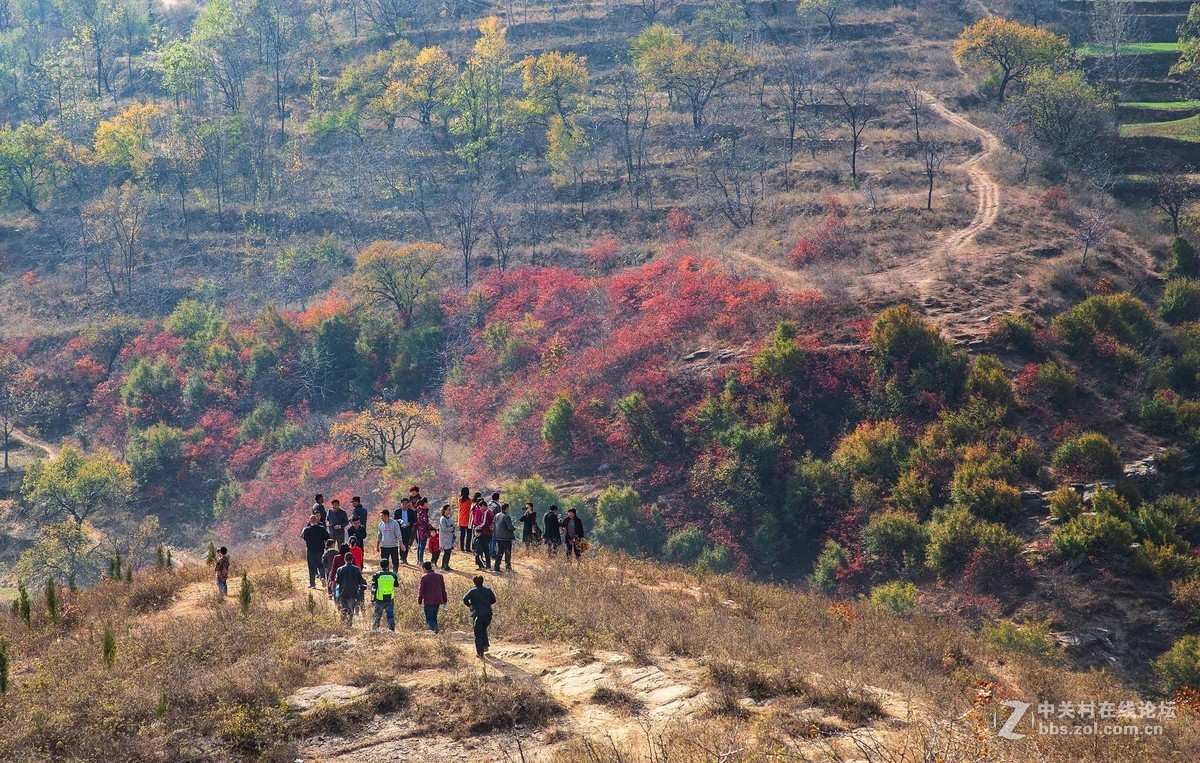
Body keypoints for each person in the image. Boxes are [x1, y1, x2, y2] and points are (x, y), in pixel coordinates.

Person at [462, 575, 497, 658]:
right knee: (483, 629)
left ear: (474, 582)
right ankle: (485, 645)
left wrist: (470, 605)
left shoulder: (472, 591)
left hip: (478, 615)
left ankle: (480, 653)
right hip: (488, 614)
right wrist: (487, 604)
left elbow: (464, 599)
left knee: (477, 633)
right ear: (482, 581)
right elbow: (494, 600)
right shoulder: (488, 590)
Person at [301, 513, 331, 588]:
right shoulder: (321, 528)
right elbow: (328, 537)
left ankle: (312, 584)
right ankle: (323, 577)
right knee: (321, 565)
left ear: (310, 521)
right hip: (320, 550)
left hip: (310, 551)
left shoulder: (306, 530)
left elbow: (304, 537)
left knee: (311, 567)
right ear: (317, 521)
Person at [418, 561, 448, 633]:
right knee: (434, 618)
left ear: (424, 568)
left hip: (428, 600)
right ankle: (437, 633)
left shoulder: (424, 577)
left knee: (429, 619)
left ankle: (436, 630)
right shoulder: (439, 576)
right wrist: (444, 599)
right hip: (438, 600)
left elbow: (421, 590)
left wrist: (419, 600)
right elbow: (443, 589)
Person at [335, 553, 365, 625]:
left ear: (344, 559)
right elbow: (360, 581)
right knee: (351, 608)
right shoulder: (357, 569)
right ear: (352, 559)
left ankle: (343, 622)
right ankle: (349, 622)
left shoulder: (340, 569)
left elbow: (337, 581)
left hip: (343, 591)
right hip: (353, 591)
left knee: (343, 607)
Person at [370, 558, 399, 631]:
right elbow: (396, 585)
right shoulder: (393, 575)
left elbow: (373, 588)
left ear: (380, 565)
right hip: (390, 597)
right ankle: (392, 630)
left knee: (377, 615)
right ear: (388, 565)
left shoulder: (376, 575)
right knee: (390, 616)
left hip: (380, 598)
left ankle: (375, 630)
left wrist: (372, 599)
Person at [472, 496, 494, 570]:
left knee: (482, 550)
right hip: (488, 533)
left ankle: (483, 565)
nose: (480, 509)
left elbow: (484, 523)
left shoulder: (486, 512)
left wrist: (477, 528)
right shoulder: (490, 512)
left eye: (480, 507)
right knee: (486, 550)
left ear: (483, 506)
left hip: (485, 533)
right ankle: (487, 565)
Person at [493, 503, 515, 572]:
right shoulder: (506, 516)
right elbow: (510, 527)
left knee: (500, 552)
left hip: (498, 536)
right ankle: (508, 567)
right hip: (506, 537)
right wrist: (514, 528)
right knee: (507, 553)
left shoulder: (497, 515)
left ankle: (496, 567)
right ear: (506, 508)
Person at [397, 498, 417, 565]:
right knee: (401, 543)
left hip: (408, 529)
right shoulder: (397, 511)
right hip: (400, 529)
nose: (404, 505)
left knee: (406, 543)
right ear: (401, 504)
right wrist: (399, 520)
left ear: (408, 504)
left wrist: (409, 523)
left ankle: (405, 558)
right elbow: (394, 519)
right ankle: (401, 557)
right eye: (403, 504)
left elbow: (414, 519)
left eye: (406, 504)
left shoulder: (411, 511)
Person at [438, 504, 456, 571]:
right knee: (446, 552)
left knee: (448, 552)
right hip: (444, 538)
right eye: (448, 509)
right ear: (444, 510)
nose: (449, 511)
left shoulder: (448, 518)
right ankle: (444, 566)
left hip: (449, 537)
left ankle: (446, 565)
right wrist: (451, 528)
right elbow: (444, 528)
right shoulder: (442, 519)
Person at [415, 497, 432, 566]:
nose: (428, 503)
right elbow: (424, 522)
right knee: (422, 545)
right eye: (427, 502)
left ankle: (419, 559)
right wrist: (430, 528)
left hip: (419, 530)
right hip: (423, 530)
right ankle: (420, 560)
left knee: (419, 545)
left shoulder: (419, 510)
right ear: (424, 503)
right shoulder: (422, 511)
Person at [487, 492, 502, 562]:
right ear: (498, 498)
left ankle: (489, 552)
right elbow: (498, 517)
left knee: (490, 539)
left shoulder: (489, 504)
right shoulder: (497, 506)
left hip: (487, 524)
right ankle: (492, 553)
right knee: (493, 539)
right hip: (494, 524)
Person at [457, 487, 473, 552]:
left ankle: (462, 548)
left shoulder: (459, 500)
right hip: (468, 519)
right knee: (469, 535)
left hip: (461, 518)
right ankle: (468, 548)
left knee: (462, 534)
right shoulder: (470, 501)